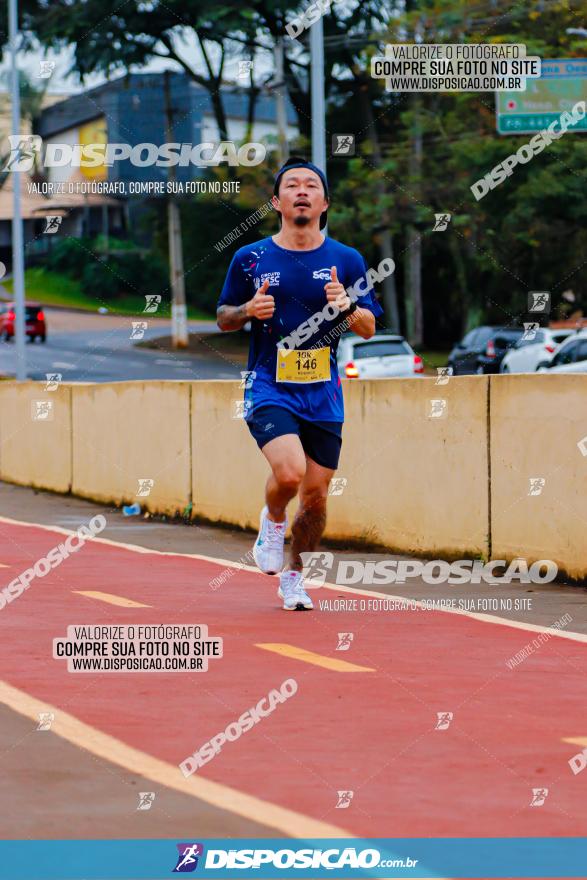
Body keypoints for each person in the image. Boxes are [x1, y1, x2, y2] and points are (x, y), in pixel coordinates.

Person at [216, 156, 383, 610]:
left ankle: (294, 578)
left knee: (315, 497)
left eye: (312, 185)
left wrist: (347, 304)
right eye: (292, 185)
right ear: (277, 201)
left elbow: (369, 327)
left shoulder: (346, 259)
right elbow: (223, 318)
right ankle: (272, 520)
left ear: (325, 202)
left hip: (324, 392)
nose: (302, 191)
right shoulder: (250, 258)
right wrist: (248, 311)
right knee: (289, 473)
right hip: (269, 383)